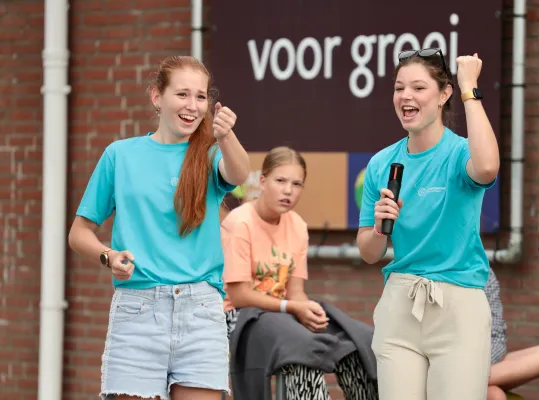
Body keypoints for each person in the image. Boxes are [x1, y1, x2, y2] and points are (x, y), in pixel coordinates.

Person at [68, 55, 250, 400]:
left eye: (201, 97)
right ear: (157, 96)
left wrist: (226, 136)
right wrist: (109, 256)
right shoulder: (120, 155)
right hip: (137, 311)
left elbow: (239, 174)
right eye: (182, 94)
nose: (193, 106)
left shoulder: (210, 154)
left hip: (200, 312)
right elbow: (79, 233)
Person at [356, 48, 500, 400]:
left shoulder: (460, 153)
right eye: (399, 88)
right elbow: (369, 253)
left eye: (419, 88)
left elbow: (486, 168)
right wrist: (378, 225)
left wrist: (469, 87)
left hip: (458, 306)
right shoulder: (381, 164)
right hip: (400, 305)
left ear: (444, 94)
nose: (406, 96)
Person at [221, 146, 378, 400]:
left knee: (355, 341)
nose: (288, 191)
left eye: (296, 184)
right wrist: (292, 307)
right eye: (280, 181)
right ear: (262, 181)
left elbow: (296, 292)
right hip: (238, 317)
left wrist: (307, 310)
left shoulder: (297, 226)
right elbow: (239, 296)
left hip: (282, 314)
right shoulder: (240, 222)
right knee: (303, 347)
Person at [484, 268, 539, 400]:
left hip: (482, 361)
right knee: (495, 395)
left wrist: (480, 364)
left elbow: (497, 336)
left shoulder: (485, 273)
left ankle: (468, 379)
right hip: (449, 360)